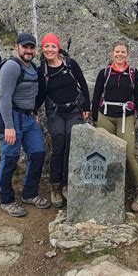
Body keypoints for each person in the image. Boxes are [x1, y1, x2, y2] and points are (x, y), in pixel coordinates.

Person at [0, 33, 50, 218]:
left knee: (38, 153)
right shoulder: (11, 66)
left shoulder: (32, 67)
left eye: (31, 47)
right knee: (10, 158)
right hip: (12, 119)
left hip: (28, 118)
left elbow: (31, 93)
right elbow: (4, 97)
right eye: (25, 47)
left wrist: (34, 112)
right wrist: (9, 126)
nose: (28, 51)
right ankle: (7, 200)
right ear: (17, 47)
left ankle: (29, 194)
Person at [91, 40, 138, 212]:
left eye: (123, 52)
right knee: (102, 154)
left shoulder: (133, 73)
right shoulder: (105, 73)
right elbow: (96, 96)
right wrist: (94, 119)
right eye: (117, 51)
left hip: (125, 118)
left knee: (128, 155)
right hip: (105, 116)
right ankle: (105, 191)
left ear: (128, 54)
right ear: (112, 53)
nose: (120, 54)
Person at [37, 33, 90, 208]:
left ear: (58, 48)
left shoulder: (70, 64)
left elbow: (82, 84)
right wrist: (33, 110)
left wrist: (86, 107)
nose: (50, 50)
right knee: (58, 146)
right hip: (56, 112)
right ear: (42, 49)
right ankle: (55, 186)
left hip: (74, 110)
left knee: (72, 145)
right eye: (47, 46)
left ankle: (68, 184)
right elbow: (42, 94)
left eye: (53, 46)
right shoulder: (42, 70)